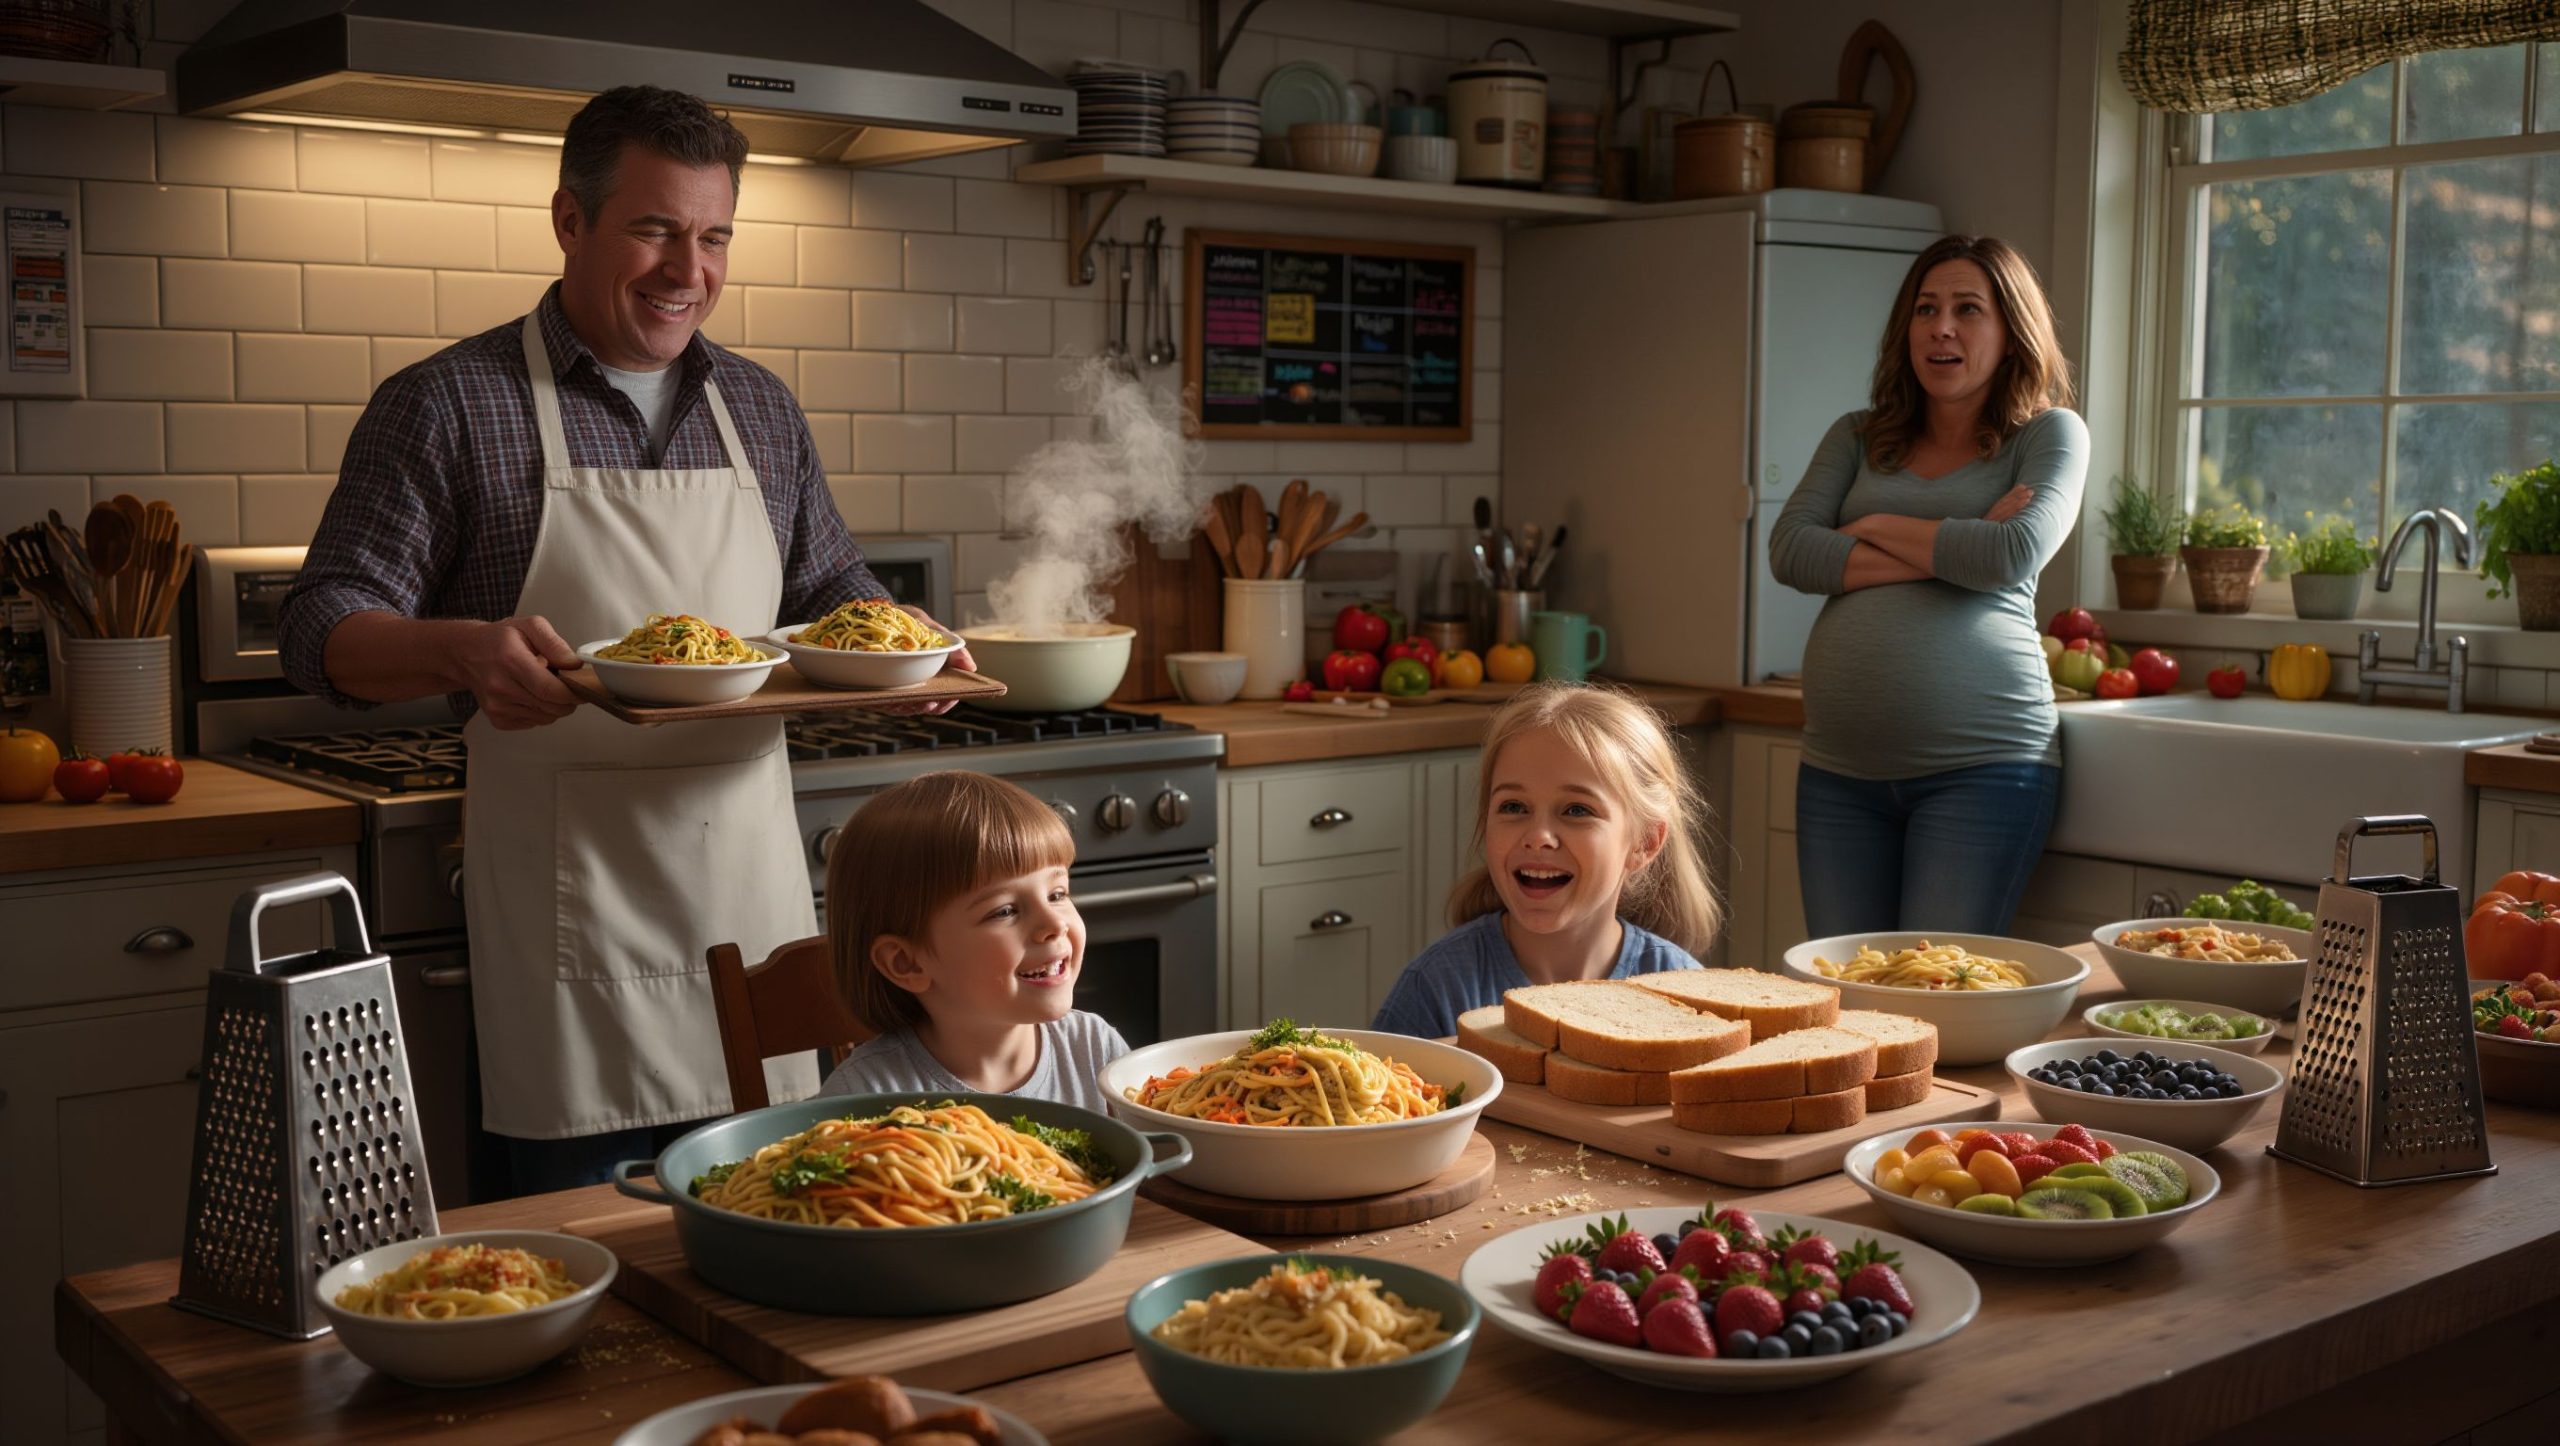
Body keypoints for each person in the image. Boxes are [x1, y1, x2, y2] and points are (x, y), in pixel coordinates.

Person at [275, 85, 971, 1194]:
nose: (685, 270)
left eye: (712, 237)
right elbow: (319, 628)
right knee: (589, 1272)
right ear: (569, 220)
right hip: (573, 913)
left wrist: (906, 641)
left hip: (751, 898)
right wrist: (462, 651)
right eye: (653, 229)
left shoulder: (760, 405)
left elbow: (830, 582)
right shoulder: (450, 403)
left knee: (783, 1221)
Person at [1766, 233, 2087, 938]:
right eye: (1925, 308)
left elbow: (2011, 552)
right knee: (1849, 1007)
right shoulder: (1857, 436)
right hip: (1837, 771)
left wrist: (1868, 524)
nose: (1942, 327)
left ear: (2011, 333)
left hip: (1984, 770)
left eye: (1968, 309)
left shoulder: (2048, 435)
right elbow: (1790, 552)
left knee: (1936, 997)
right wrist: (1957, 538)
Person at [1371, 683, 1722, 1039]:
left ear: (1644, 842)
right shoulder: (1436, 986)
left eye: (1576, 810)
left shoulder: (1684, 991)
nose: (1538, 836)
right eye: (1514, 807)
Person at [819, 771, 1128, 1113]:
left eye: (1057, 894)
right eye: (1005, 911)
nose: (1054, 924)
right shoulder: (866, 1096)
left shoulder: (1093, 1048)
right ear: (907, 963)